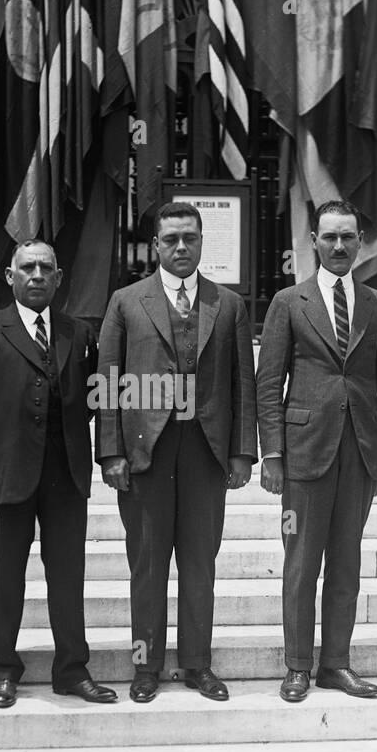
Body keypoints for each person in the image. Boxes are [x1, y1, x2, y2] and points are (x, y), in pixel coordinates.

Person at [0, 240, 117, 709]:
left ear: (59, 278)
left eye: (46, 268)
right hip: (4, 477)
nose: (37, 275)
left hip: (64, 475)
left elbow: (94, 398)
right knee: (4, 576)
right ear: (9, 275)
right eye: (27, 268)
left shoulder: (79, 334)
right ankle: (3, 671)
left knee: (68, 575)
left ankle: (72, 670)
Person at [96, 202, 257, 703]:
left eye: (189, 237)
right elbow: (107, 380)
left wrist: (240, 454)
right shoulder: (126, 301)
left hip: (205, 452)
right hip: (147, 452)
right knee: (147, 564)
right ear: (155, 245)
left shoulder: (226, 305)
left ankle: (197, 665)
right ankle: (146, 667)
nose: (180, 247)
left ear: (203, 241)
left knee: (199, 563)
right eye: (170, 239)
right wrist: (111, 453)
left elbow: (242, 384)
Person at [256, 199, 377, 703]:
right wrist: (271, 454)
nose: (338, 246)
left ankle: (335, 664)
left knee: (347, 562)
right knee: (301, 562)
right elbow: (268, 382)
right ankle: (298, 665)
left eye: (348, 237)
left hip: (359, 453)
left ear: (360, 243)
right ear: (313, 242)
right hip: (303, 453)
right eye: (329, 237)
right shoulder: (288, 302)